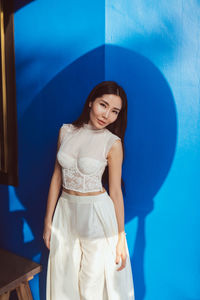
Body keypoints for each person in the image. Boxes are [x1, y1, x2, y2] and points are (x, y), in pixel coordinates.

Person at [43, 81, 135, 300]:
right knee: (64, 279)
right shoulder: (65, 131)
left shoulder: (112, 143)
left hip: (96, 215)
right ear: (91, 101)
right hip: (65, 211)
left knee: (91, 284)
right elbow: (57, 177)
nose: (107, 115)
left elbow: (114, 191)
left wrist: (120, 236)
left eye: (115, 111)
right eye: (103, 105)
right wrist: (48, 221)